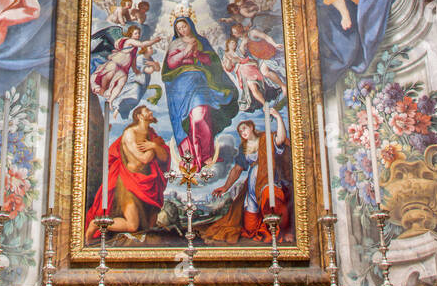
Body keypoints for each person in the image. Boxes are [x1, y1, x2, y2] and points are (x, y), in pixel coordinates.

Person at [161, 14, 237, 172]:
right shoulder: (175, 43)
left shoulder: (202, 41)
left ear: (190, 26)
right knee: (192, 120)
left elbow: (213, 62)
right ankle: (194, 157)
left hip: (201, 82)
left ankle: (206, 154)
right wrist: (185, 52)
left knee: (201, 117)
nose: (182, 30)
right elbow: (171, 64)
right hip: (182, 85)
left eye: (184, 26)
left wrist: (199, 56)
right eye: (178, 28)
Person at [203, 108, 291, 242]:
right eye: (240, 131)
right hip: (251, 189)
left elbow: (281, 138)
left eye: (245, 129)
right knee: (250, 228)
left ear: (251, 127)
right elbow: (237, 170)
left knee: (272, 202)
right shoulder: (244, 149)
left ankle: (280, 232)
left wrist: (278, 117)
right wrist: (226, 187)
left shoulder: (266, 139)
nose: (243, 132)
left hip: (267, 182)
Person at [85, 105, 170, 240]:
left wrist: (154, 145)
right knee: (132, 226)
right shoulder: (130, 133)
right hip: (129, 182)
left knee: (147, 224)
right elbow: (143, 159)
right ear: (139, 116)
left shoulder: (151, 133)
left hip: (146, 183)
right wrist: (154, 146)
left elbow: (164, 157)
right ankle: (96, 223)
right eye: (147, 111)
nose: (151, 112)